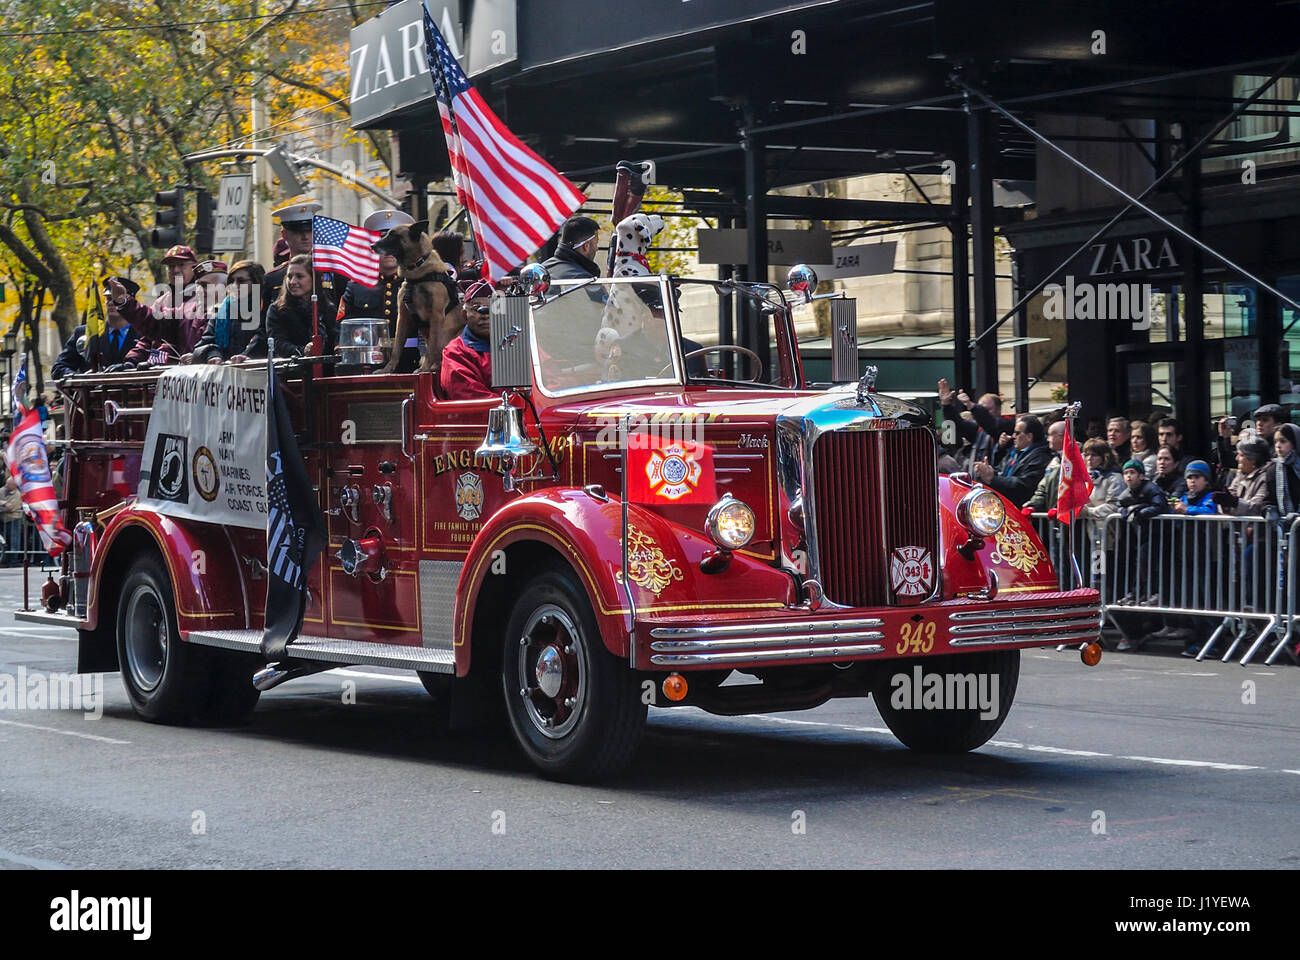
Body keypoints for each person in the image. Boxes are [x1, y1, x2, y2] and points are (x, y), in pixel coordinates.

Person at [339, 209, 416, 372]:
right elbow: (342, 329)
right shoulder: (356, 286)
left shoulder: (417, 283)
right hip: (369, 363)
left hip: (411, 361)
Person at [1113, 459, 1170, 651]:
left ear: (1142, 475)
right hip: (1139, 536)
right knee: (1137, 562)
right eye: (1126, 473)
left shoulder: (1151, 488)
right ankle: (1137, 591)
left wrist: (1140, 511)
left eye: (1133, 473)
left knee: (1148, 561)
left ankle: (1151, 591)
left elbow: (1160, 506)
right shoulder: (1127, 492)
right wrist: (1125, 512)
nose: (1129, 476)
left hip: (1158, 535)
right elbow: (1120, 505)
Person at [52, 277, 141, 378]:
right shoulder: (84, 333)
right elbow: (59, 367)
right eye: (108, 298)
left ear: (130, 302)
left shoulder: (145, 334)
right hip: (92, 392)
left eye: (118, 299)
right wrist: (74, 377)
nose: (111, 303)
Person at [262, 196, 339, 309]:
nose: (305, 237)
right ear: (284, 235)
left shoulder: (333, 272)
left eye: (310, 230)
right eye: (298, 232)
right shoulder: (271, 278)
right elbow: (260, 322)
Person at [192, 260, 267, 364]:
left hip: (257, 373)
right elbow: (205, 343)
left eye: (241, 281)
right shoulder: (221, 312)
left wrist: (246, 356)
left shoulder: (267, 310)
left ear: (256, 282)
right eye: (231, 281)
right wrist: (214, 355)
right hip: (225, 375)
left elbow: (263, 339)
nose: (235, 285)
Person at [259, 255, 333, 358]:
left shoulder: (327, 307)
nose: (293, 282)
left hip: (326, 370)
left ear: (313, 278)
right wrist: (303, 351)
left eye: (299, 276)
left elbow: (335, 339)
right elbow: (278, 343)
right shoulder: (277, 310)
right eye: (289, 277)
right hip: (291, 370)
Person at [971, 414, 1051, 507]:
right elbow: (1002, 472)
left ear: (1029, 436)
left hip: (1023, 511)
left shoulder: (1040, 457)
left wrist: (993, 478)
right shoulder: (1014, 453)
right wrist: (987, 472)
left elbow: (1024, 485)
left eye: (1017, 433)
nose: (1013, 436)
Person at [937, 378, 1015, 471]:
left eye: (987, 409)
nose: (983, 412)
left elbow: (991, 424)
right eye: (981, 408)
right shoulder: (979, 430)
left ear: (999, 410)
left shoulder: (1006, 426)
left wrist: (971, 405)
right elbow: (958, 423)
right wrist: (946, 404)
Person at [439, 278, 495, 400]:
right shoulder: (455, 352)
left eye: (492, 308)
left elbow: (544, 378)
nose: (485, 315)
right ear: (465, 315)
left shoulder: (517, 343)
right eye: (477, 308)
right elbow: (469, 395)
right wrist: (516, 407)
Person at [149, 245, 208, 357]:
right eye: (171, 266)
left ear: (194, 268)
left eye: (181, 265)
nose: (175, 270)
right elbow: (147, 338)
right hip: (160, 368)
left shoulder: (204, 297)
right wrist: (130, 361)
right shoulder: (160, 302)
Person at [1215, 437, 1275, 517]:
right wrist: (1225, 502)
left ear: (1253, 459)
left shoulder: (1265, 478)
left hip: (1255, 528)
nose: (1237, 458)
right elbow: (1230, 495)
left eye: (1241, 455)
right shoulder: (1240, 474)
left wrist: (1235, 503)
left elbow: (1258, 508)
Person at [1025, 419, 1067, 512]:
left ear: (1061, 436)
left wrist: (1062, 508)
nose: (1047, 439)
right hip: (1055, 519)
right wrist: (1031, 506)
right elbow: (1042, 489)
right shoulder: (1054, 461)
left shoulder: (1078, 459)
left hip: (1073, 519)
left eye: (1051, 435)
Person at [542, 216, 602, 281]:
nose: (597, 249)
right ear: (586, 246)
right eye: (596, 243)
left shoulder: (543, 269)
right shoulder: (583, 280)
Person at [1273, 423, 1300, 515]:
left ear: (1294, 443)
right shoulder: (1272, 468)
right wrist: (1269, 509)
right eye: (1276, 441)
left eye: (1283, 441)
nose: (1278, 445)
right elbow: (1269, 498)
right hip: (1282, 526)